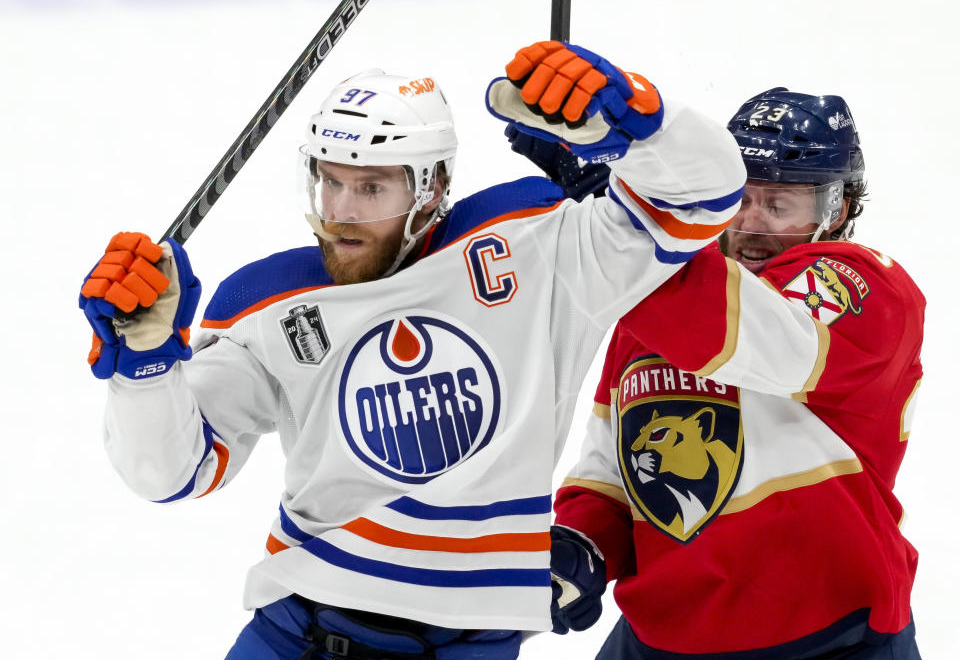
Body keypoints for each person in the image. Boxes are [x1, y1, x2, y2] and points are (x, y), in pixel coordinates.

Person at [77, 41, 746, 660]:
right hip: (299, 632)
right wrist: (145, 364)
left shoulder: (540, 248)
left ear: (431, 186)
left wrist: (635, 121)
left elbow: (706, 195)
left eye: (371, 188)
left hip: (469, 644)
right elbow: (171, 472)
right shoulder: (268, 301)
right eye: (330, 181)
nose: (340, 210)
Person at [545, 87, 925, 659]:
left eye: (778, 205)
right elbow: (613, 460)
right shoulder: (657, 295)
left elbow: (747, 330)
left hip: (832, 640)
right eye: (738, 199)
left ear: (837, 210)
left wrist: (625, 232)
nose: (749, 223)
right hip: (658, 640)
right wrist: (585, 541)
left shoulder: (867, 288)